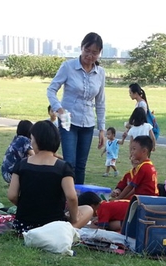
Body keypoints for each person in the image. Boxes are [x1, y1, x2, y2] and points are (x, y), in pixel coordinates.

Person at [8, 120, 93, 233]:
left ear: (37, 141)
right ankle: (67, 232)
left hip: (24, 225)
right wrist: (74, 218)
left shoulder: (21, 164)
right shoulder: (63, 167)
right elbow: (72, 197)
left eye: (32, 139)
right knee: (88, 209)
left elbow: (12, 195)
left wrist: (29, 207)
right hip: (53, 226)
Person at [46, 32, 106, 185]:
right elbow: (51, 89)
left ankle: (78, 201)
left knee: (81, 166)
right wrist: (58, 109)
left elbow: (100, 102)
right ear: (81, 47)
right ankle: (65, 197)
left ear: (99, 53)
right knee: (69, 163)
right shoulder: (68, 66)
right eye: (87, 50)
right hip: (67, 120)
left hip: (88, 122)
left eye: (94, 52)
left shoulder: (100, 73)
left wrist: (102, 129)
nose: (90, 55)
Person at [1, 120, 34, 184]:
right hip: (12, 175)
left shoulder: (17, 138)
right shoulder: (24, 140)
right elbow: (34, 155)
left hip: (5, 172)